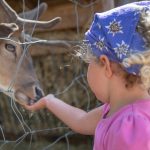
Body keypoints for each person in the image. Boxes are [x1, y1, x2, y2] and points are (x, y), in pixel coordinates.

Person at [24, 1, 150, 150]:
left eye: (88, 62)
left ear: (106, 65)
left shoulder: (132, 126)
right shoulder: (115, 110)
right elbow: (81, 120)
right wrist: (49, 101)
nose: (87, 70)